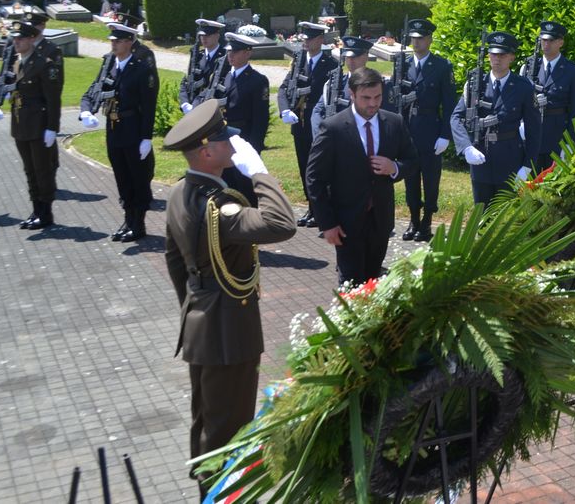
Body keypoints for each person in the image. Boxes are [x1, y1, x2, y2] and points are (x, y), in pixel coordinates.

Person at [162, 100, 296, 501]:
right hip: (228, 333)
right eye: (223, 139)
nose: (232, 143)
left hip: (201, 324)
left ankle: (208, 490)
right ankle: (223, 495)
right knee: (229, 429)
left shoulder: (178, 195)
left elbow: (175, 263)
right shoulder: (220, 208)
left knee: (206, 420)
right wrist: (260, 174)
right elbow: (281, 224)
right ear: (206, 152)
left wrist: (196, 306)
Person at [306, 67, 418, 285]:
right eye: (366, 98)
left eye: (378, 97)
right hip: (346, 222)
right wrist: (327, 223)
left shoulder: (394, 122)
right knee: (351, 284)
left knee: (374, 281)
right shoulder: (333, 128)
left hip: (381, 220)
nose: (373, 104)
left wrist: (393, 167)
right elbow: (314, 179)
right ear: (352, 94)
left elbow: (412, 160)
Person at [79, 22, 159, 242]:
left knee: (137, 178)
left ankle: (138, 223)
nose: (113, 44)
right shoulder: (108, 64)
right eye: (111, 40)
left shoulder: (142, 68)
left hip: (133, 130)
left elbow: (149, 105)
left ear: (129, 42)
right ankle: (127, 219)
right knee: (122, 178)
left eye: (118, 40)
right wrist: (86, 111)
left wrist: (146, 138)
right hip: (113, 130)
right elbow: (93, 90)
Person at [451, 31, 541, 207]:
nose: (497, 59)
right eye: (493, 54)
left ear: (512, 58)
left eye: (502, 54)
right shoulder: (475, 84)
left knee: (506, 216)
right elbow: (456, 117)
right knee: (481, 213)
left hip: (510, 158)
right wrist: (466, 147)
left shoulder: (523, 87)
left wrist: (527, 165)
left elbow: (534, 129)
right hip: (481, 157)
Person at [0, 21, 64, 229]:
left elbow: (53, 99)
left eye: (21, 38)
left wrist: (52, 128)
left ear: (32, 39)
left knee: (42, 170)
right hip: (20, 124)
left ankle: (45, 213)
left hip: (39, 126)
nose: (16, 41)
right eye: (15, 38)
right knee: (29, 170)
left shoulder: (45, 64)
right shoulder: (15, 62)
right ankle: (35, 209)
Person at [395, 19, 457, 242]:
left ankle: (427, 221)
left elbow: (450, 104)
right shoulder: (402, 64)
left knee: (431, 180)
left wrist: (445, 135)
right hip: (408, 131)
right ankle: (413, 219)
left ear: (430, 39)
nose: (416, 42)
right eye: (413, 38)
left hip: (431, 129)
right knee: (410, 178)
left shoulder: (442, 66)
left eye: (421, 38)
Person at [278, 21, 338, 227]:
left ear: (320, 40)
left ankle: (323, 209)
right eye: (304, 39)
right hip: (300, 124)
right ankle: (312, 208)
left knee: (319, 169)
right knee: (304, 167)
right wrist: (285, 109)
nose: (306, 42)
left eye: (310, 39)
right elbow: (284, 87)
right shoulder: (299, 61)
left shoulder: (331, 65)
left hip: (320, 125)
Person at [520, 20, 575, 169]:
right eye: (543, 40)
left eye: (551, 40)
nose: (546, 44)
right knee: (529, 184)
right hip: (531, 134)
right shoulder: (530, 66)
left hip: (557, 136)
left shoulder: (573, 71)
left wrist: (569, 143)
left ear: (560, 42)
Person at [217, 32, 270, 206]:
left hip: (244, 138)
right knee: (226, 186)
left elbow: (260, 119)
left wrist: (254, 148)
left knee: (245, 188)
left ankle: (250, 227)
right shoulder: (223, 77)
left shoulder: (257, 81)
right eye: (229, 51)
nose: (230, 55)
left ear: (247, 53)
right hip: (223, 140)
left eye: (236, 51)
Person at [309, 35, 393, 133]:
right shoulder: (334, 83)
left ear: (366, 56)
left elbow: (388, 117)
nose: (351, 61)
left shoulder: (379, 85)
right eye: (347, 57)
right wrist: (321, 134)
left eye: (355, 56)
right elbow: (317, 111)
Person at [179, 19, 227, 113]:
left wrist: (195, 106)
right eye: (201, 35)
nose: (203, 38)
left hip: (210, 111)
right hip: (191, 109)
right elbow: (185, 81)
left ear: (217, 36)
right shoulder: (197, 56)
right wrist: (185, 103)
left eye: (207, 35)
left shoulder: (225, 58)